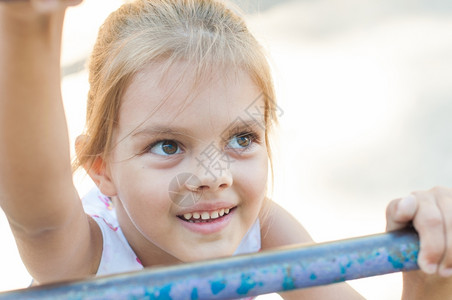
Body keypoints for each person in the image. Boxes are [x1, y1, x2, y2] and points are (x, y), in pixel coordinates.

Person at [0, 0, 451, 299]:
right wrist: (26, 24)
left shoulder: (262, 227)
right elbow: (38, 215)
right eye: (168, 145)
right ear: (101, 168)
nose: (213, 175)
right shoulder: (87, 254)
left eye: (241, 139)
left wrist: (430, 271)